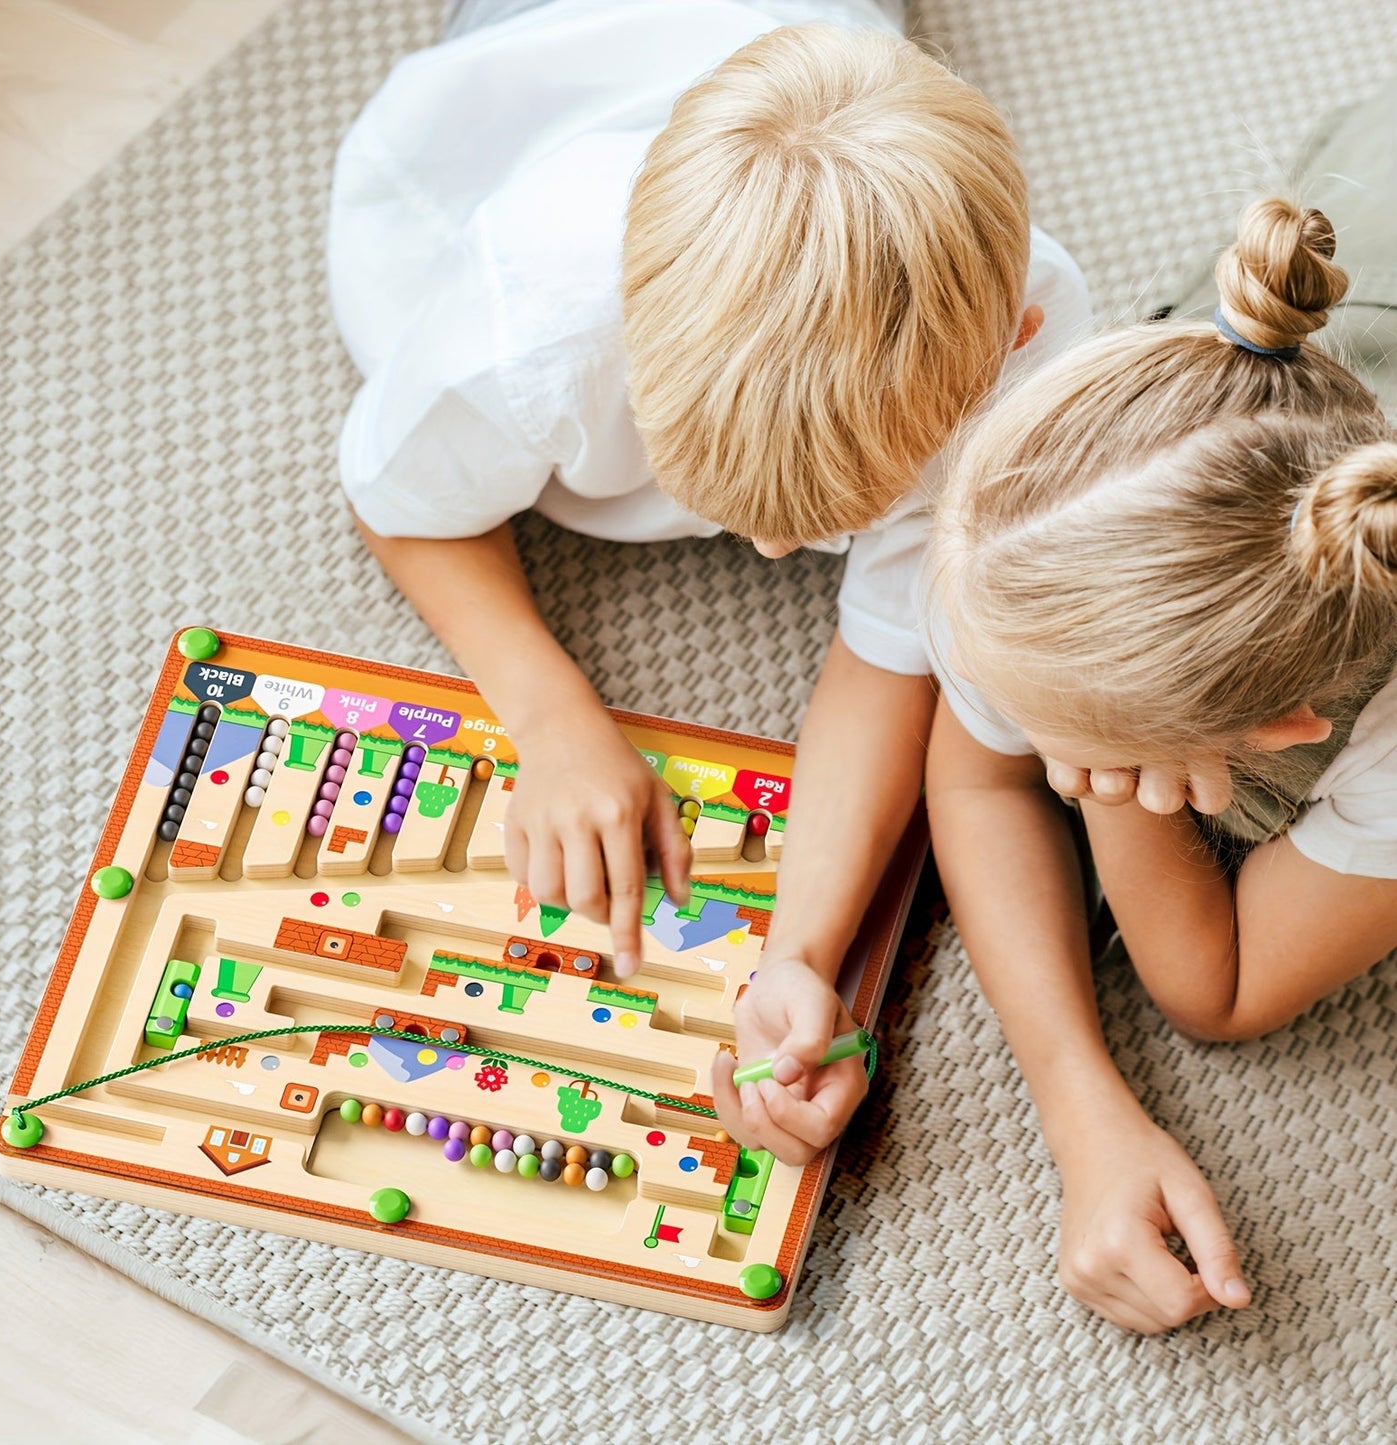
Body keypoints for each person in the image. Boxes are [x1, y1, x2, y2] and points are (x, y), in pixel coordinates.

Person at [328, 1, 1090, 1161]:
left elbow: (892, 648)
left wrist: (799, 952)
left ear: (1011, 337)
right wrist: (550, 715)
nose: (775, 556)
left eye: (826, 521)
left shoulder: (1026, 343)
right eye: (740, 513)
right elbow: (395, 502)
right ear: (628, 352)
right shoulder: (527, 327)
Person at [925, 195, 1397, 1333]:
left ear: (1280, 726)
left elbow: (1215, 989)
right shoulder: (1061, 497)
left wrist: (1110, 796)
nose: (1019, 740)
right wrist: (1077, 1103)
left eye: (1059, 744)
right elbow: (974, 779)